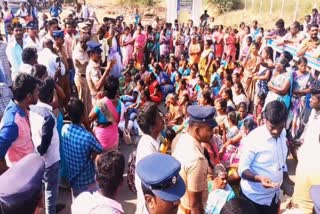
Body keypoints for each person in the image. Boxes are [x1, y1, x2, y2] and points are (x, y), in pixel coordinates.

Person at [238, 100, 291, 214]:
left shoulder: (283, 133)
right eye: (272, 127)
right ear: (264, 120)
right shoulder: (253, 139)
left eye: (280, 126)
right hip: (253, 199)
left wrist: (285, 177)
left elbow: (281, 159)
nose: (276, 131)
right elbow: (242, 170)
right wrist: (259, 178)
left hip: (273, 196)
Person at [173, 105, 217, 214]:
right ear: (197, 130)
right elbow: (195, 205)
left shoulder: (181, 138)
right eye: (209, 129)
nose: (212, 133)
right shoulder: (197, 159)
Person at [287, 81, 320, 213]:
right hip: (304, 165)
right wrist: (300, 142)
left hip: (313, 170)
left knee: (305, 206)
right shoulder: (313, 112)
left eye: (313, 97)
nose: (309, 99)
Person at [29, 78, 60, 214]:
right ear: (50, 95)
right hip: (50, 161)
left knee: (44, 188)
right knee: (51, 191)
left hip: (38, 159)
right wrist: (40, 151)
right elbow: (45, 145)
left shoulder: (32, 108)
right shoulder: (48, 116)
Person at [60, 98, 103, 197]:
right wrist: (88, 127)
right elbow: (100, 148)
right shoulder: (87, 137)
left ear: (69, 115)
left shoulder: (64, 129)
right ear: (83, 116)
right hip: (87, 181)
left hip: (73, 179)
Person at [0, 73, 40, 175]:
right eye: (36, 91)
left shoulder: (23, 107)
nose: (39, 93)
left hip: (30, 171)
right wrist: (11, 176)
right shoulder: (12, 123)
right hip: (22, 178)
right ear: (29, 96)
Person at [135, 102, 164, 214]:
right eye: (158, 116)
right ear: (152, 127)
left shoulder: (152, 140)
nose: (162, 117)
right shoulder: (148, 149)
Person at [89, 76, 124, 150]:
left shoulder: (100, 103)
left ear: (104, 90)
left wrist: (97, 101)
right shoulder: (120, 104)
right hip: (113, 138)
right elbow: (117, 122)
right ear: (116, 90)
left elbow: (89, 118)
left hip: (101, 139)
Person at [73, 34, 91, 116]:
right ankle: (84, 120)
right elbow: (87, 64)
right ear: (82, 42)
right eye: (88, 43)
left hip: (85, 77)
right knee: (83, 101)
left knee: (88, 100)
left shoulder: (84, 48)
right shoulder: (78, 52)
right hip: (81, 77)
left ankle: (89, 118)